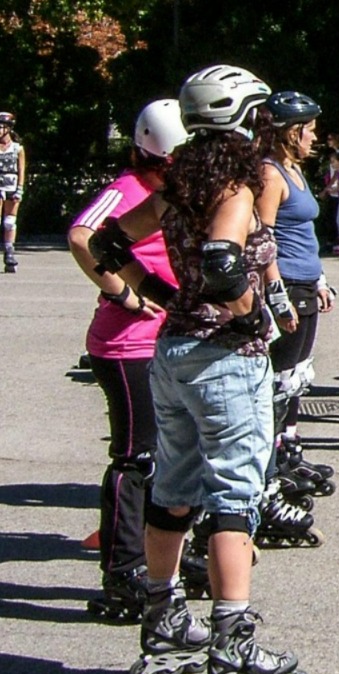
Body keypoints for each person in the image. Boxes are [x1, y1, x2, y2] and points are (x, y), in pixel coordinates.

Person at [88, 64, 307, 674]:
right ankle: (232, 648)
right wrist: (248, 314)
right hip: (223, 357)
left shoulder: (179, 181)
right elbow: (221, 259)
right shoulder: (238, 185)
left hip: (173, 352)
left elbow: (108, 239)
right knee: (236, 495)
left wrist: (158, 295)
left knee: (172, 490)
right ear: (244, 119)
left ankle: (162, 621)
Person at [70, 100, 190, 622]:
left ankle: (172, 560)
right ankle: (123, 573)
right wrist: (123, 294)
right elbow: (82, 235)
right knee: (136, 457)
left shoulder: (174, 191)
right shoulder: (128, 189)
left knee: (174, 455)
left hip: (165, 338)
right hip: (127, 344)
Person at [255, 91, 338, 502]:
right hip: (285, 285)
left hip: (305, 283)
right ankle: (268, 461)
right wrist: (276, 296)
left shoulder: (296, 171)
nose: (315, 136)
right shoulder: (271, 174)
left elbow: (304, 235)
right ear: (291, 132)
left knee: (297, 375)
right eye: (309, 130)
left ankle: (288, 449)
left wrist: (320, 278)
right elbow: (263, 238)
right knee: (279, 376)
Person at [0, 112, 25, 272]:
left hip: (12, 185)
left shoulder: (17, 148)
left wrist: (20, 188)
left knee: (9, 222)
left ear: (8, 128)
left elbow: (22, 169)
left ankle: (9, 252)